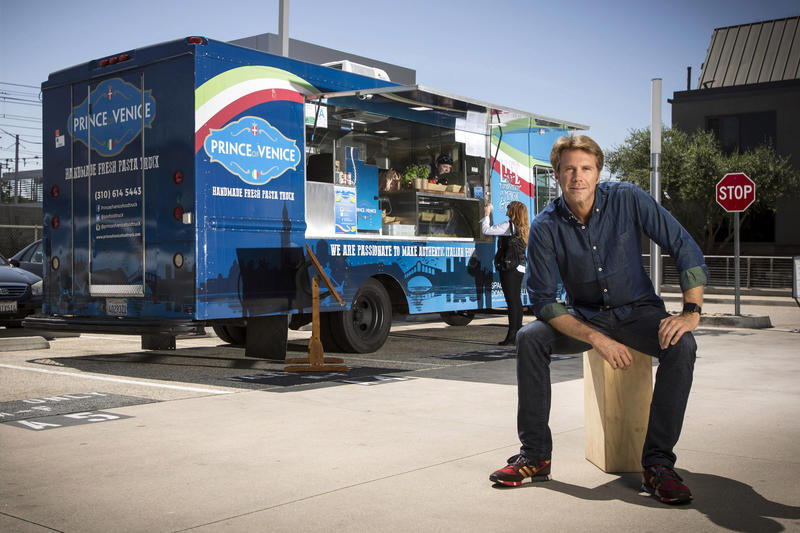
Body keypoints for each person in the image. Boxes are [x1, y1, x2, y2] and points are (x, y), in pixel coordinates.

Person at [489, 135, 707, 505]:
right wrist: (598, 339)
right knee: (530, 337)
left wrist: (690, 312)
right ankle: (536, 455)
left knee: (682, 344)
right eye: (569, 169)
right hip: (586, 316)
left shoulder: (628, 198)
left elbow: (683, 245)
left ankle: (657, 465)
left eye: (586, 168)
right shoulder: (544, 226)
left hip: (640, 312)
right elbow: (543, 300)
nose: (578, 176)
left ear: (598, 172)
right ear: (556, 175)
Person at [481, 201, 528, 345]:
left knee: (512, 301)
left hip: (510, 267)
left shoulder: (508, 226)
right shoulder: (523, 227)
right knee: (516, 301)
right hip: (519, 266)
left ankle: (512, 336)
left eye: (508, 207)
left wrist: (486, 214)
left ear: (513, 211)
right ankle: (517, 334)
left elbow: (486, 230)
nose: (506, 209)